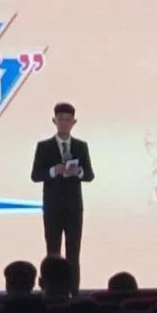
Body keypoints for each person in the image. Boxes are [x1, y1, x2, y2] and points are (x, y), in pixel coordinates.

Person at [30, 102, 94, 295]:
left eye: (68, 120)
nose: (64, 123)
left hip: (74, 207)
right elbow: (35, 175)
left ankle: (74, 293)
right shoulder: (44, 146)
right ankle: (52, 292)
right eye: (61, 119)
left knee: (74, 253)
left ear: (74, 122)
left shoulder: (81, 146)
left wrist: (78, 171)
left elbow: (89, 175)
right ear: (54, 121)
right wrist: (53, 171)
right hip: (52, 207)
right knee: (53, 252)